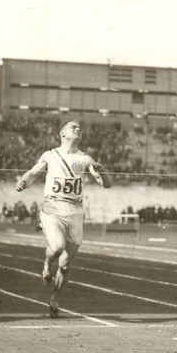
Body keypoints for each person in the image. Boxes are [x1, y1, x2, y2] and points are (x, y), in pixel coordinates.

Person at [15, 120, 112, 317]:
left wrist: (103, 172)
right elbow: (33, 173)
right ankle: (46, 264)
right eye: (73, 127)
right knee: (58, 247)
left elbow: (106, 184)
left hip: (75, 212)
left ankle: (54, 299)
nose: (78, 129)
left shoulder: (85, 159)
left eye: (80, 127)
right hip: (53, 208)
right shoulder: (51, 155)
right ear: (62, 134)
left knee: (66, 265)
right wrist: (22, 182)